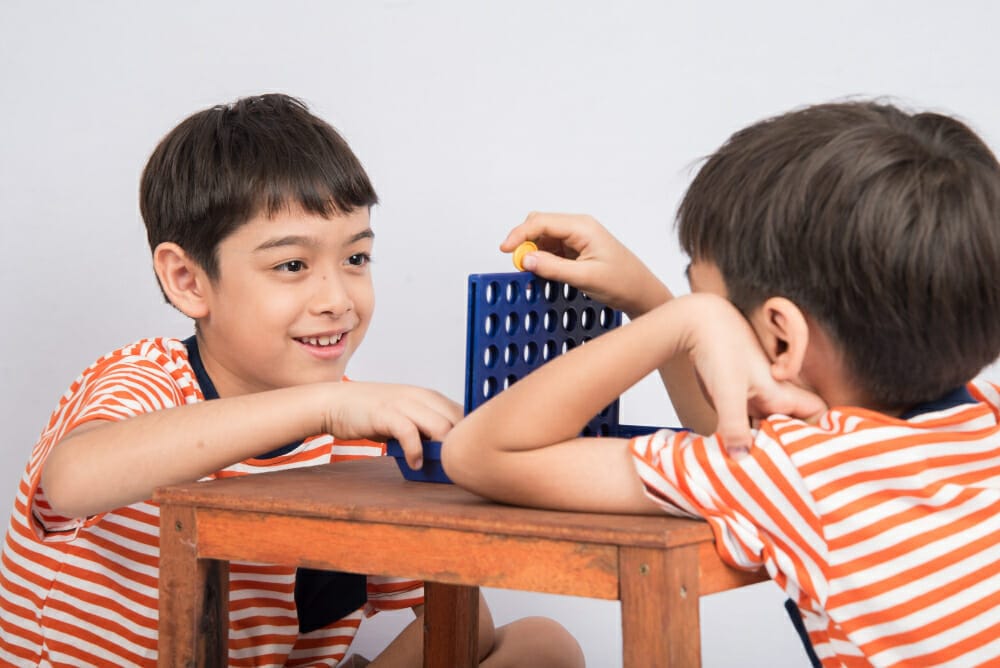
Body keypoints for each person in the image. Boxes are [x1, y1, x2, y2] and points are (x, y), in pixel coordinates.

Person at [0, 93, 584, 668]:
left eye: (356, 259)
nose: (336, 299)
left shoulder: (357, 432)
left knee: (542, 644)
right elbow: (73, 480)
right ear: (188, 280)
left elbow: (458, 621)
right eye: (291, 266)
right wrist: (321, 406)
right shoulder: (151, 379)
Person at [442, 100, 1000, 667]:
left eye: (715, 314)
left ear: (782, 340)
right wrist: (651, 301)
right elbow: (737, 431)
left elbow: (479, 452)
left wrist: (680, 321)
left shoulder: (797, 473)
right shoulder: (986, 416)